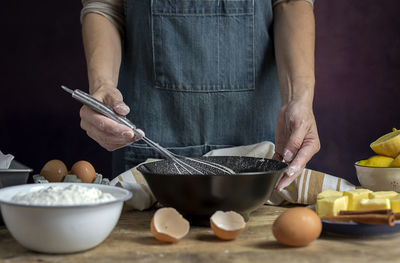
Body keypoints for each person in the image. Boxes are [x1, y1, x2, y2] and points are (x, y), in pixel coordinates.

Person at [79, 0, 320, 191]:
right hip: (149, 142)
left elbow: (291, 2)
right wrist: (102, 85)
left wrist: (299, 99)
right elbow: (105, 7)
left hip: (256, 144)